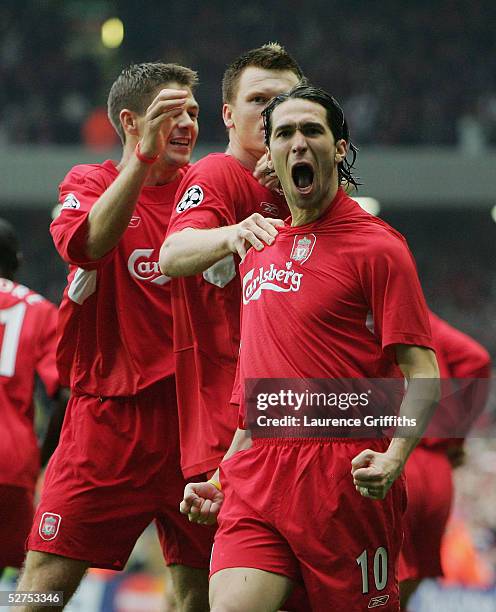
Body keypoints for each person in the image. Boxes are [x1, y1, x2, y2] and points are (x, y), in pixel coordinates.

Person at [181, 84, 440, 611]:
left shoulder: (379, 248)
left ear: (339, 148)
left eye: (312, 131)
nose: (298, 142)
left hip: (345, 477)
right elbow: (257, 402)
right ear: (271, 153)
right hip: (258, 476)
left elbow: (426, 373)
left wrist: (395, 457)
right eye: (284, 134)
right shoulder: (258, 249)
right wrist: (222, 475)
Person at [15, 62, 213, 612]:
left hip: (193, 425)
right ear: (131, 121)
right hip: (106, 422)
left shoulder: (209, 190)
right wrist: (141, 160)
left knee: (201, 594)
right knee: (41, 584)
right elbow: (88, 246)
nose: (187, 125)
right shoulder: (88, 183)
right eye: (171, 112)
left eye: (193, 114)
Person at [160, 43, 303, 481]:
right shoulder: (217, 174)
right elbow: (172, 253)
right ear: (227, 115)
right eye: (258, 101)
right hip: (231, 422)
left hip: (293, 415)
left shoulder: (300, 195)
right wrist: (233, 232)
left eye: (284, 103)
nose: (271, 113)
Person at [399, 311, 491, 610]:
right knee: (412, 577)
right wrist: (454, 439)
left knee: (374, 581)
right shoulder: (417, 315)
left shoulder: (353, 307)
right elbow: (476, 360)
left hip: (390, 462)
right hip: (437, 470)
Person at [0, 218, 68, 577]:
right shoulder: (39, 309)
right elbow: (65, 393)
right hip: (13, 464)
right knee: (30, 578)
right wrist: (41, 457)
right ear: (18, 262)